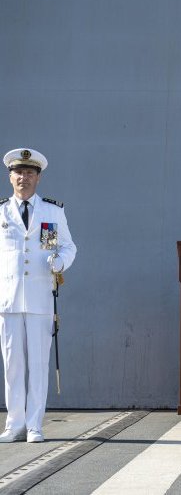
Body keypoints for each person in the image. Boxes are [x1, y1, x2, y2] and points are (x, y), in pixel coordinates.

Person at [0, 148, 77, 443]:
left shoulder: (52, 212)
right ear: (10, 177)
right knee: (12, 364)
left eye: (30, 173)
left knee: (38, 364)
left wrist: (59, 262)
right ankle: (14, 425)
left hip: (41, 299)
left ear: (38, 178)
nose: (24, 178)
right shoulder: (1, 212)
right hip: (7, 299)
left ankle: (34, 425)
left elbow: (68, 247)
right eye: (19, 172)